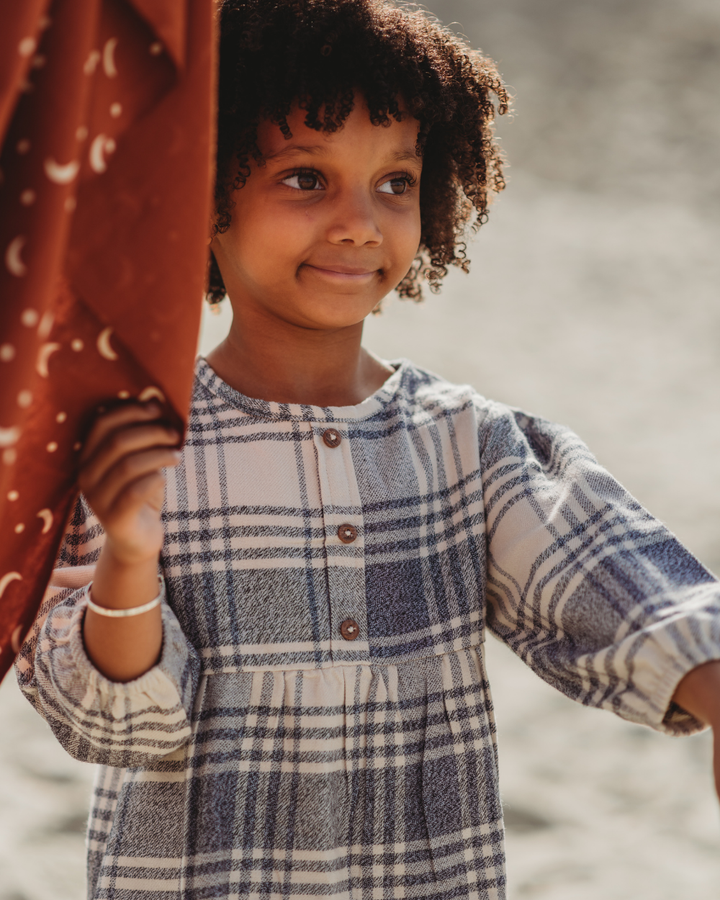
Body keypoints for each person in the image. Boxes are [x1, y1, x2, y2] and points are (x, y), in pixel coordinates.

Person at [15, 1, 720, 898]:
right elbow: (113, 727)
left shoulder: (467, 445)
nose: (360, 221)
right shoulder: (139, 447)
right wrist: (128, 553)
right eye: (305, 179)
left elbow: (608, 578)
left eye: (395, 182)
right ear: (201, 188)